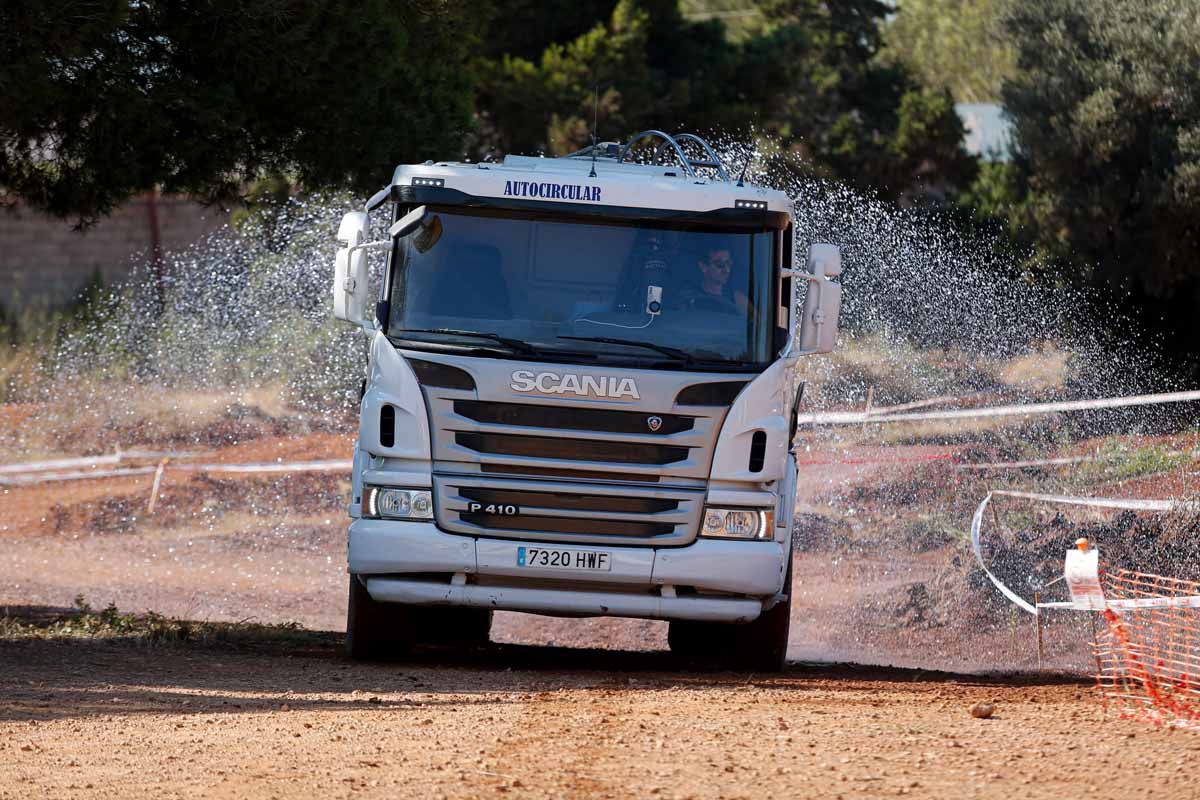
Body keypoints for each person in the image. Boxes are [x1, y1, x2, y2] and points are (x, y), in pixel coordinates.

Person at [677, 246, 749, 314]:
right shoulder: (688, 297)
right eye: (720, 264)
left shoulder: (737, 299)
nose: (727, 270)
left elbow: (756, 322)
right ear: (703, 267)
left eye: (728, 263)